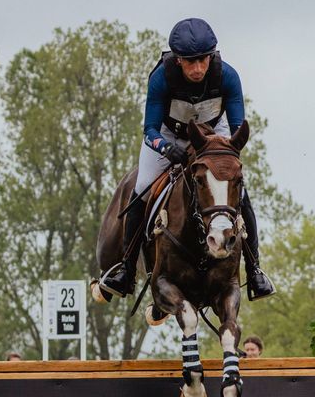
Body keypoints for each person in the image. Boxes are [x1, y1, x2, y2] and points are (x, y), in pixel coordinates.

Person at [96, 17, 272, 300]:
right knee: (141, 188)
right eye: (191, 62)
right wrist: (167, 149)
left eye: (203, 60)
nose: (198, 69)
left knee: (240, 194)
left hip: (213, 135)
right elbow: (149, 130)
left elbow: (237, 128)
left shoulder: (228, 77)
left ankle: (255, 271)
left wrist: (225, 152)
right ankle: (126, 269)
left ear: (211, 56)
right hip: (168, 136)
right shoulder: (161, 79)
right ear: (178, 60)